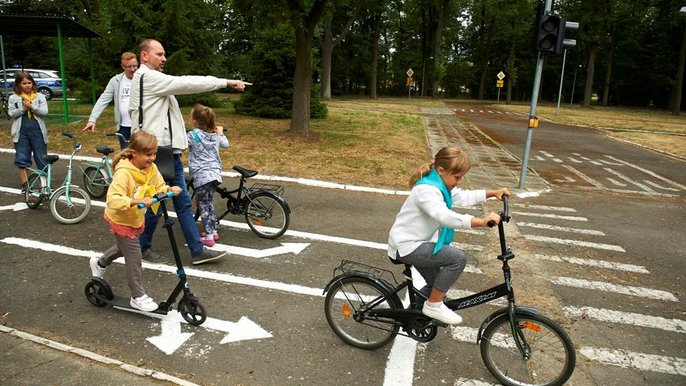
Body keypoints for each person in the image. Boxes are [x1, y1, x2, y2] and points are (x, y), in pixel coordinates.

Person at [129, 38, 251, 265]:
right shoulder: (149, 77)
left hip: (166, 152)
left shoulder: (152, 80)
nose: (164, 58)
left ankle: (195, 250)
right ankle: (143, 246)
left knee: (179, 201)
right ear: (144, 56)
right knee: (159, 202)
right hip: (157, 153)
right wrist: (225, 82)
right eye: (159, 54)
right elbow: (186, 83)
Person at [387, 146, 510, 325]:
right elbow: (444, 216)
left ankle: (413, 318)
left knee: (438, 284)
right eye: (457, 177)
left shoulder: (440, 185)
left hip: (420, 242)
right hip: (407, 246)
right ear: (441, 170)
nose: (459, 181)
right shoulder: (426, 190)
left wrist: (493, 193)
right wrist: (481, 222)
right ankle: (433, 305)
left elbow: (462, 196)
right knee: (457, 258)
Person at [89, 131, 181, 312]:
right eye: (148, 154)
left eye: (154, 154)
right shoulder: (124, 173)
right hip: (121, 219)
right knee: (134, 256)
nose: (153, 158)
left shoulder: (150, 168)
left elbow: (158, 185)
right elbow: (113, 200)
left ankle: (100, 262)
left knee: (125, 247)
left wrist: (168, 188)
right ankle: (137, 295)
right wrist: (135, 201)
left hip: (135, 218)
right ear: (134, 153)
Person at [187, 104, 229, 247]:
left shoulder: (192, 135)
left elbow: (182, 145)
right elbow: (226, 144)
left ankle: (209, 237)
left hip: (202, 175)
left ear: (194, 121)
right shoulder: (216, 135)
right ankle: (213, 231)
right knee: (209, 203)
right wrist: (220, 132)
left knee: (203, 205)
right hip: (215, 174)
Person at [82, 52, 138, 149]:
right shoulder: (115, 81)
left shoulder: (143, 79)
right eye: (129, 67)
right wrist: (92, 119)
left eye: (135, 66)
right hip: (123, 127)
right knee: (125, 158)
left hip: (140, 127)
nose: (133, 69)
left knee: (141, 157)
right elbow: (103, 99)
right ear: (123, 67)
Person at [7, 71, 48, 193]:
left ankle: (44, 185)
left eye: (29, 83)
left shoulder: (40, 97)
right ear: (19, 84)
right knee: (22, 157)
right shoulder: (13, 98)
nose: (27, 85)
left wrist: (32, 107)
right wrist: (23, 109)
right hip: (21, 131)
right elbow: (11, 114)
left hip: (37, 131)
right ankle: (26, 184)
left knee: (41, 157)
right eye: (24, 83)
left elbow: (44, 112)